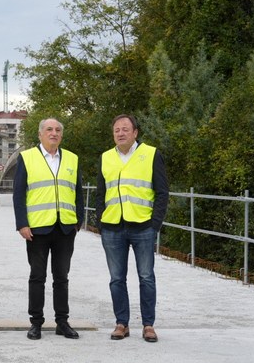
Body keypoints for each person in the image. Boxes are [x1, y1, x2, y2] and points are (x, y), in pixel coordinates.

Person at [96, 114, 169, 343]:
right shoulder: (106, 157)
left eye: (125, 129)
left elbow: (162, 192)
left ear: (135, 132)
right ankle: (122, 323)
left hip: (143, 226)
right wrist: (100, 222)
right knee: (116, 278)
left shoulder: (151, 154)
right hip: (112, 227)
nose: (121, 133)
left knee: (146, 277)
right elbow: (100, 193)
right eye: (117, 130)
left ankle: (148, 325)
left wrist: (155, 224)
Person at [13, 118, 84, 341]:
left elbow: (78, 191)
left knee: (62, 277)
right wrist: (22, 223)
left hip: (65, 227)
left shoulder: (72, 158)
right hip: (37, 228)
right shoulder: (27, 157)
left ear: (61, 135)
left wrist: (79, 220)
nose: (54, 133)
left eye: (58, 130)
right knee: (37, 277)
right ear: (40, 134)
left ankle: (62, 322)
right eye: (49, 129)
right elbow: (18, 193)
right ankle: (36, 323)